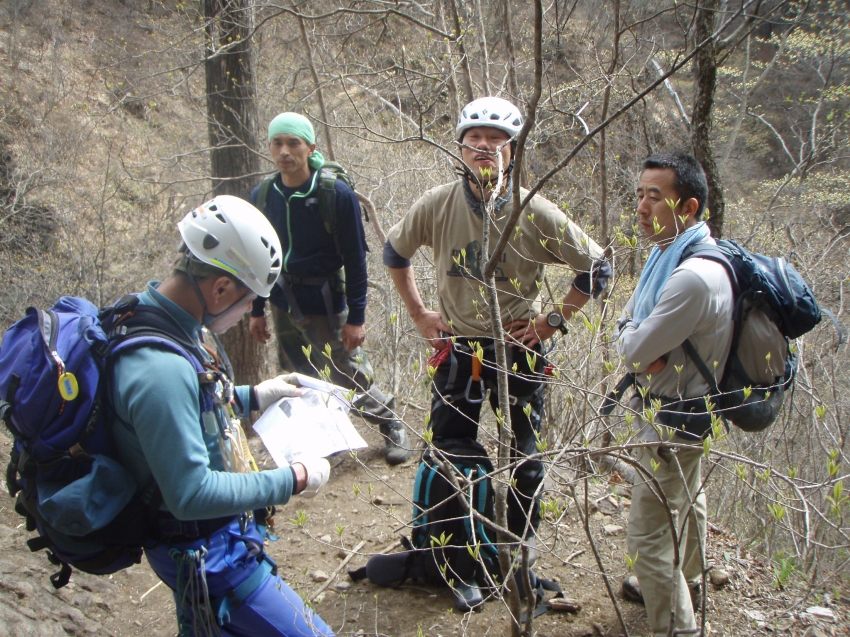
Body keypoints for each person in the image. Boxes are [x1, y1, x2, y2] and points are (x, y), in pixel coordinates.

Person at [383, 96, 610, 548]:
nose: (484, 147)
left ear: (512, 150)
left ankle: (517, 548)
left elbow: (599, 267)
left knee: (525, 458)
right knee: (449, 450)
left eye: (496, 140)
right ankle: (452, 548)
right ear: (460, 150)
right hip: (459, 347)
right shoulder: (438, 204)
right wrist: (419, 313)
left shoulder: (533, 210)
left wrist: (553, 320)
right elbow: (395, 252)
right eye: (474, 140)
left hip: (518, 350)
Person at [111, 195, 335, 637]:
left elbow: (189, 408)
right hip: (206, 554)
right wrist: (295, 478)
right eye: (248, 301)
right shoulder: (160, 369)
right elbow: (190, 493)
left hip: (204, 545)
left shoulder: (159, 316)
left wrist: (255, 396)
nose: (244, 314)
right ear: (220, 289)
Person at [614, 151, 734, 636]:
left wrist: (634, 339)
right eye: (640, 194)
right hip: (691, 410)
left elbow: (633, 349)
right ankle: (691, 578)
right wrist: (638, 338)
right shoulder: (674, 252)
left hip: (673, 417)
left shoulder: (691, 277)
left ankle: (679, 628)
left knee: (647, 534)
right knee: (687, 494)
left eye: (655, 197)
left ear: (688, 207)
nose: (642, 207)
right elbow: (637, 334)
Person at [248, 112, 412, 465]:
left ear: (310, 148)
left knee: (348, 372)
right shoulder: (263, 195)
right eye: (277, 143)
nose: (284, 151)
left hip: (326, 300)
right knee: (302, 375)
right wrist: (257, 309)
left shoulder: (335, 195)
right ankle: (323, 443)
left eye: (293, 143)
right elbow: (260, 258)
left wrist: (357, 317)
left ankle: (391, 423)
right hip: (283, 302)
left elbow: (355, 259)